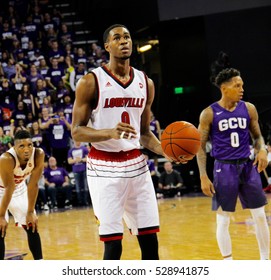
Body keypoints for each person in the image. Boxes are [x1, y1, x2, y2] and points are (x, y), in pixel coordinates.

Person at [71, 24, 186, 260]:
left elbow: (144, 133)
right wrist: (109, 133)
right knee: (113, 246)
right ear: (107, 46)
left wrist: (167, 151)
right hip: (103, 167)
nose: (124, 41)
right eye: (117, 38)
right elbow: (77, 132)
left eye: (127, 37)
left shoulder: (146, 83)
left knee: (150, 241)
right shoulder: (91, 81)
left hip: (136, 165)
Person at [196, 68, 270, 260]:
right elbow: (200, 147)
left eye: (242, 85)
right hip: (224, 168)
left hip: (247, 166)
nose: (241, 89)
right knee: (223, 219)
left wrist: (261, 149)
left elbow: (257, 136)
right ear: (224, 88)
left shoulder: (249, 108)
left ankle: (264, 260)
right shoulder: (208, 113)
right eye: (237, 85)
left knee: (260, 216)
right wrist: (203, 176)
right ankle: (228, 263)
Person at [0, 130, 45, 260]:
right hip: (2, 189)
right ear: (14, 147)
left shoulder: (38, 154)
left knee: (32, 224)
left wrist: (31, 211)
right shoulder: (6, 159)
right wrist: (2, 216)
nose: (27, 149)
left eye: (29, 145)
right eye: (22, 146)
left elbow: (33, 184)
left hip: (19, 187)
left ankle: (40, 263)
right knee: (0, 228)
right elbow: (9, 187)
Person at [67, 141, 89, 206]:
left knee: (85, 186)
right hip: (76, 170)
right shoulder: (71, 151)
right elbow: (69, 161)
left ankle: (86, 201)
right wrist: (76, 160)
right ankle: (80, 202)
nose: (77, 142)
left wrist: (81, 160)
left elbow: (88, 158)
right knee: (78, 187)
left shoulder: (84, 149)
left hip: (84, 169)